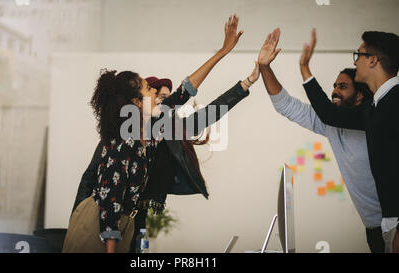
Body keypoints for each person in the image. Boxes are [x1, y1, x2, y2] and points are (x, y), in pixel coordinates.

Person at [62, 14, 261, 253]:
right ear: (136, 103)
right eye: (150, 90)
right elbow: (108, 197)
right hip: (101, 225)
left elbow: (188, 92)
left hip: (127, 222)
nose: (156, 97)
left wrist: (224, 52)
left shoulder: (156, 128)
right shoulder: (122, 139)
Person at [257, 28, 383, 252]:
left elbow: (328, 112)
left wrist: (305, 68)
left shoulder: (374, 120)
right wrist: (265, 67)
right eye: (334, 86)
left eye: (342, 87)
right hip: (373, 227)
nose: (334, 91)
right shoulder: (332, 126)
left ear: (360, 96)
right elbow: (286, 105)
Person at [300, 29, 399, 253]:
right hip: (387, 224)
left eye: (359, 55)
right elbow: (329, 115)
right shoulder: (375, 108)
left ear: (373, 60)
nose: (355, 62)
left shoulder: (395, 103)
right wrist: (305, 69)